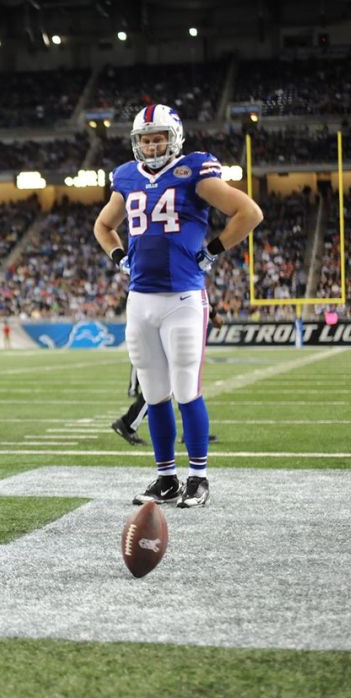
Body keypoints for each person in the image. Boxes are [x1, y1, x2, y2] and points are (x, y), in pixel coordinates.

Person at [93, 104, 263, 508]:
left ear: (174, 138)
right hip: (140, 299)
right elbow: (103, 225)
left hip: (184, 298)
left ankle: (199, 478)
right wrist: (119, 258)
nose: (152, 146)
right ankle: (166, 478)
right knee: (154, 395)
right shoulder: (127, 176)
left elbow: (248, 212)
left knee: (187, 389)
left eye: (159, 137)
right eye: (145, 139)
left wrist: (212, 252)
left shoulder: (194, 171)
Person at [112, 307, 223, 447]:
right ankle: (127, 423)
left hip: (171, 319)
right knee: (164, 384)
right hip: (171, 321)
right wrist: (213, 314)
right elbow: (192, 289)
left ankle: (190, 431)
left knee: (177, 382)